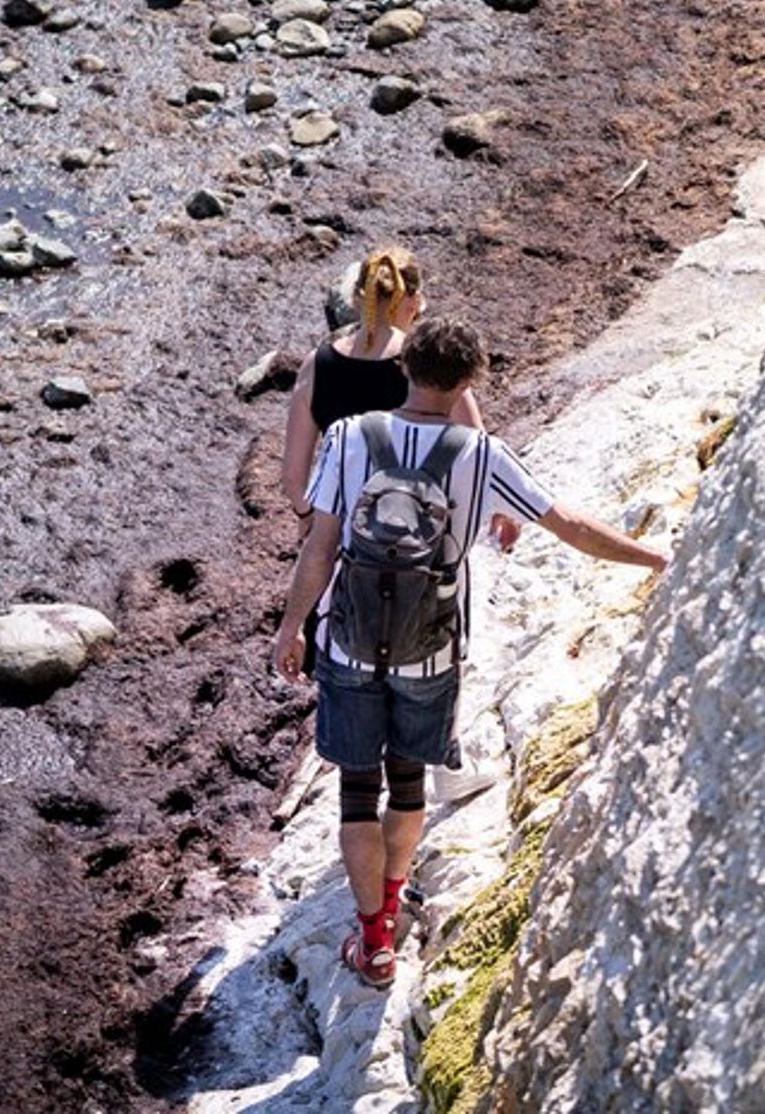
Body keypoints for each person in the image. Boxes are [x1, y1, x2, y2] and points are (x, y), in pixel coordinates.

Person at [272, 317, 667, 989]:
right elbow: (568, 524)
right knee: (408, 784)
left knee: (356, 793)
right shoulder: (481, 453)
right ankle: (395, 906)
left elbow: (320, 545)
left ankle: (372, 941)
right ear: (467, 384)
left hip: (349, 643)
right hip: (432, 650)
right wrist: (654, 556)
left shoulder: (348, 437)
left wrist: (293, 626)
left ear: (405, 368)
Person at [278, 247, 486, 530]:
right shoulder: (429, 360)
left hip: (344, 532)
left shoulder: (317, 364)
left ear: (355, 298)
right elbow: (477, 450)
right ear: (414, 303)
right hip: (417, 532)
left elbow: (292, 477)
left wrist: (307, 517)